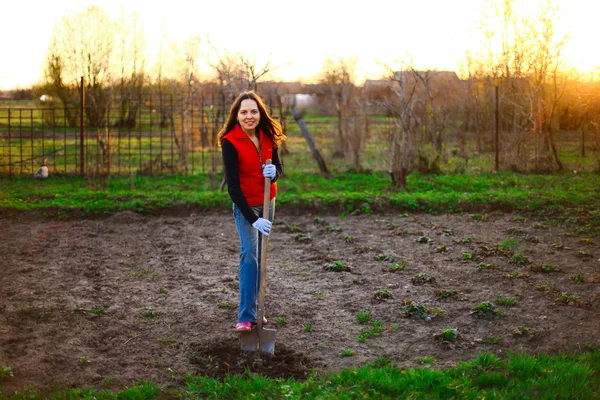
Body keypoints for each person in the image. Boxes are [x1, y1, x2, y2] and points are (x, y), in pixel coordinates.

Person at [218, 91, 286, 332]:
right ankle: (245, 316)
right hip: (246, 205)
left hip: (269, 202)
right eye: (244, 112)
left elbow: (278, 166)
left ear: (260, 114)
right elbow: (233, 189)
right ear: (237, 116)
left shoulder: (268, 136)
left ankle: (259, 310)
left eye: (254, 111)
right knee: (250, 255)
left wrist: (274, 173)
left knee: (262, 255)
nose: (249, 116)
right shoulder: (230, 141)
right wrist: (253, 219)